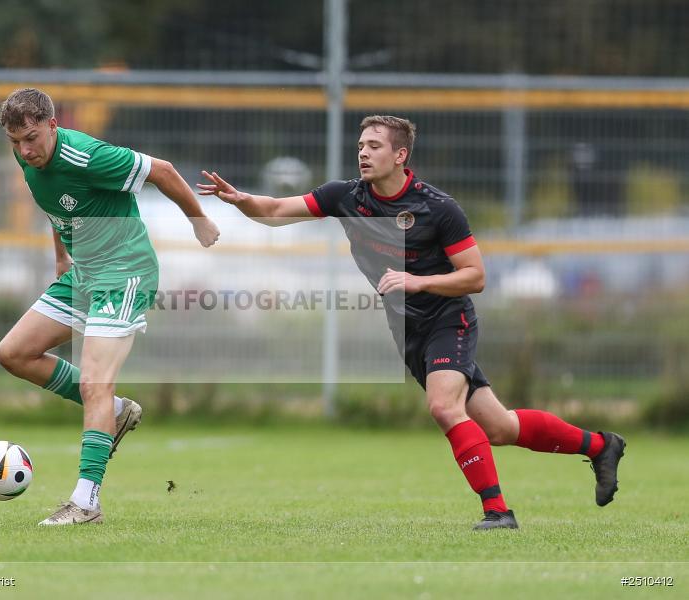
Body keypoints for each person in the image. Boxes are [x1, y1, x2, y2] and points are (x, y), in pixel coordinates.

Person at [198, 115, 625, 530]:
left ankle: (498, 513)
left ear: (400, 155)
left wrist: (419, 282)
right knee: (498, 426)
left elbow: (475, 277)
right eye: (361, 145)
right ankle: (601, 446)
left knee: (443, 407)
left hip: (448, 319)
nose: (363, 153)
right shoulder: (345, 196)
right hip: (408, 329)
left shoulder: (438, 208)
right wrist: (241, 200)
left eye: (374, 146)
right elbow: (274, 209)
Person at [0, 88, 220, 526]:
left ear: (53, 126)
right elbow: (57, 202)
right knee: (14, 353)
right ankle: (115, 411)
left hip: (124, 272)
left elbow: (162, 170)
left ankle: (86, 503)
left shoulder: (88, 156)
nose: (24, 150)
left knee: (94, 383)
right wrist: (61, 256)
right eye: (15, 142)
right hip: (85, 274)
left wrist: (200, 221)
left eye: (32, 138)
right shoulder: (29, 157)